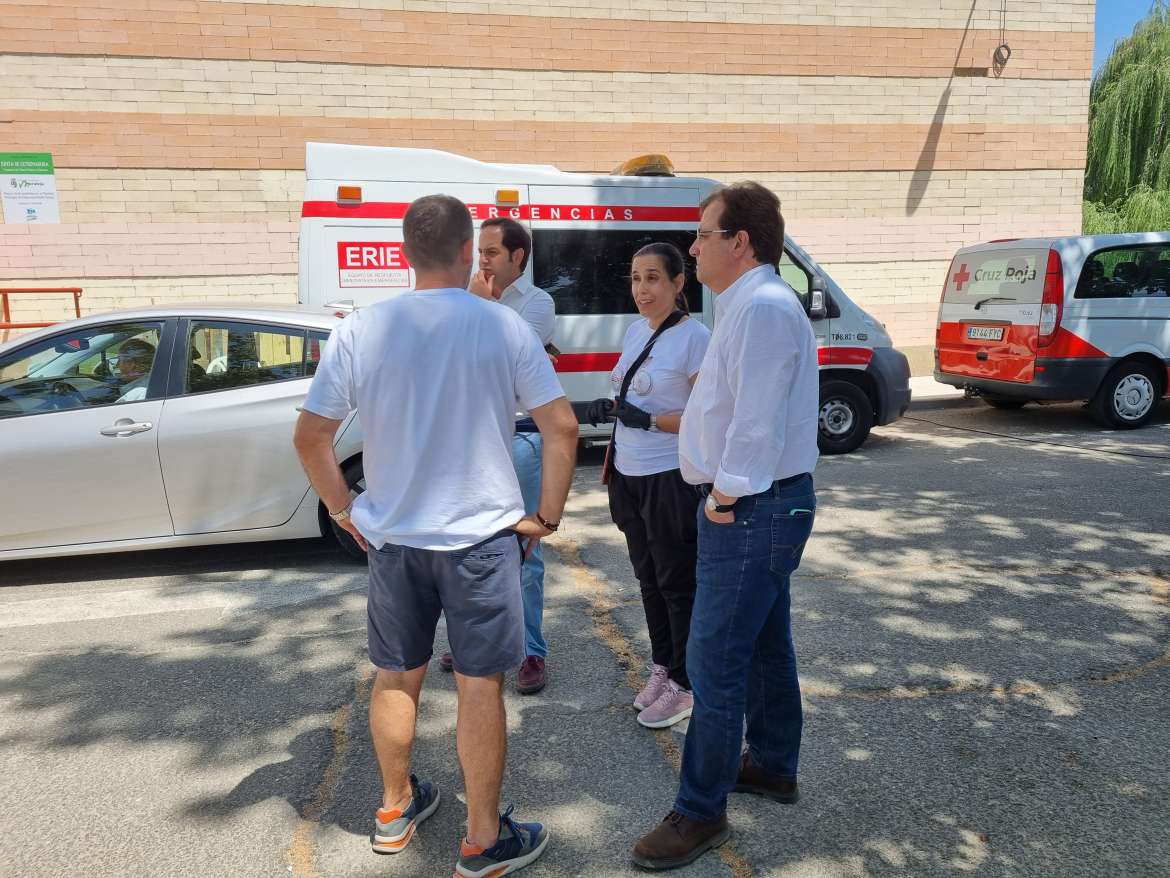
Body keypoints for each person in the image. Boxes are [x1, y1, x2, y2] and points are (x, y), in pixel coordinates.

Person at [293, 194, 579, 877]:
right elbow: (563, 428)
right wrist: (546, 516)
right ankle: (482, 841)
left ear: (402, 253)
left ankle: (394, 809)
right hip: (480, 540)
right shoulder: (502, 327)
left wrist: (344, 511)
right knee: (480, 686)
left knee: (395, 676)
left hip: (394, 540)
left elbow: (311, 438)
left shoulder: (362, 329)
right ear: (464, 251)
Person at [632, 182, 819, 871]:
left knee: (713, 661)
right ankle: (771, 762)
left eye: (703, 235)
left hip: (751, 505)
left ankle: (700, 810)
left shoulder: (763, 309)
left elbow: (757, 420)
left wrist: (725, 494)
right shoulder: (750, 305)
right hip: (757, 504)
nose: (692, 246)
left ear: (739, 242)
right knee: (766, 643)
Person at [583, 242, 709, 730]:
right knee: (648, 579)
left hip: (668, 478)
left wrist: (652, 420)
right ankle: (663, 666)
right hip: (629, 476)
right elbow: (627, 392)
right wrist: (608, 408)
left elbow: (704, 418)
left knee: (678, 583)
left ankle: (685, 682)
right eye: (636, 278)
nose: (642, 289)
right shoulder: (637, 332)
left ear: (679, 283)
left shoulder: (695, 338)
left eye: (654, 277)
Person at [437, 216, 558, 695]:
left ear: (517, 257)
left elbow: (515, 357)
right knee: (469, 546)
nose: (480, 261)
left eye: (490, 253)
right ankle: (474, 640)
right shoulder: (464, 301)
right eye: (479, 252)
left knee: (523, 548)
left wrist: (482, 311)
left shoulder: (537, 303)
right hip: (472, 439)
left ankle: (531, 651)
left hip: (523, 438)